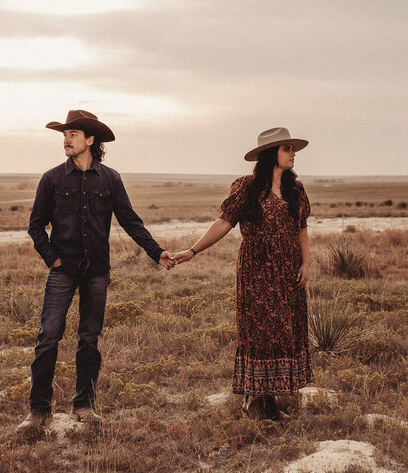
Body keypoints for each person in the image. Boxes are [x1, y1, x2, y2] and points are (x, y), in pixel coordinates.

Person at [16, 110, 174, 438]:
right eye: (65, 134)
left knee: (89, 339)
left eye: (73, 134)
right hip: (63, 271)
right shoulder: (52, 179)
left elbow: (130, 221)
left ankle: (84, 406)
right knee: (48, 337)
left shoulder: (110, 179)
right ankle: (39, 412)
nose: (66, 139)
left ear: (90, 140)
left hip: (97, 272)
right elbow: (35, 225)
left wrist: (157, 252)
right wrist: (52, 259)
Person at [168, 127, 312, 420]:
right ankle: (253, 400)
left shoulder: (295, 189)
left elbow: (302, 229)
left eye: (291, 148)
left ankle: (270, 402)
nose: (293, 153)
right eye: (287, 148)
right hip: (257, 269)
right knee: (260, 332)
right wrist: (193, 251)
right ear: (272, 154)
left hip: (288, 269)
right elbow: (224, 223)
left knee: (284, 331)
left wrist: (306, 264)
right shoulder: (247, 188)